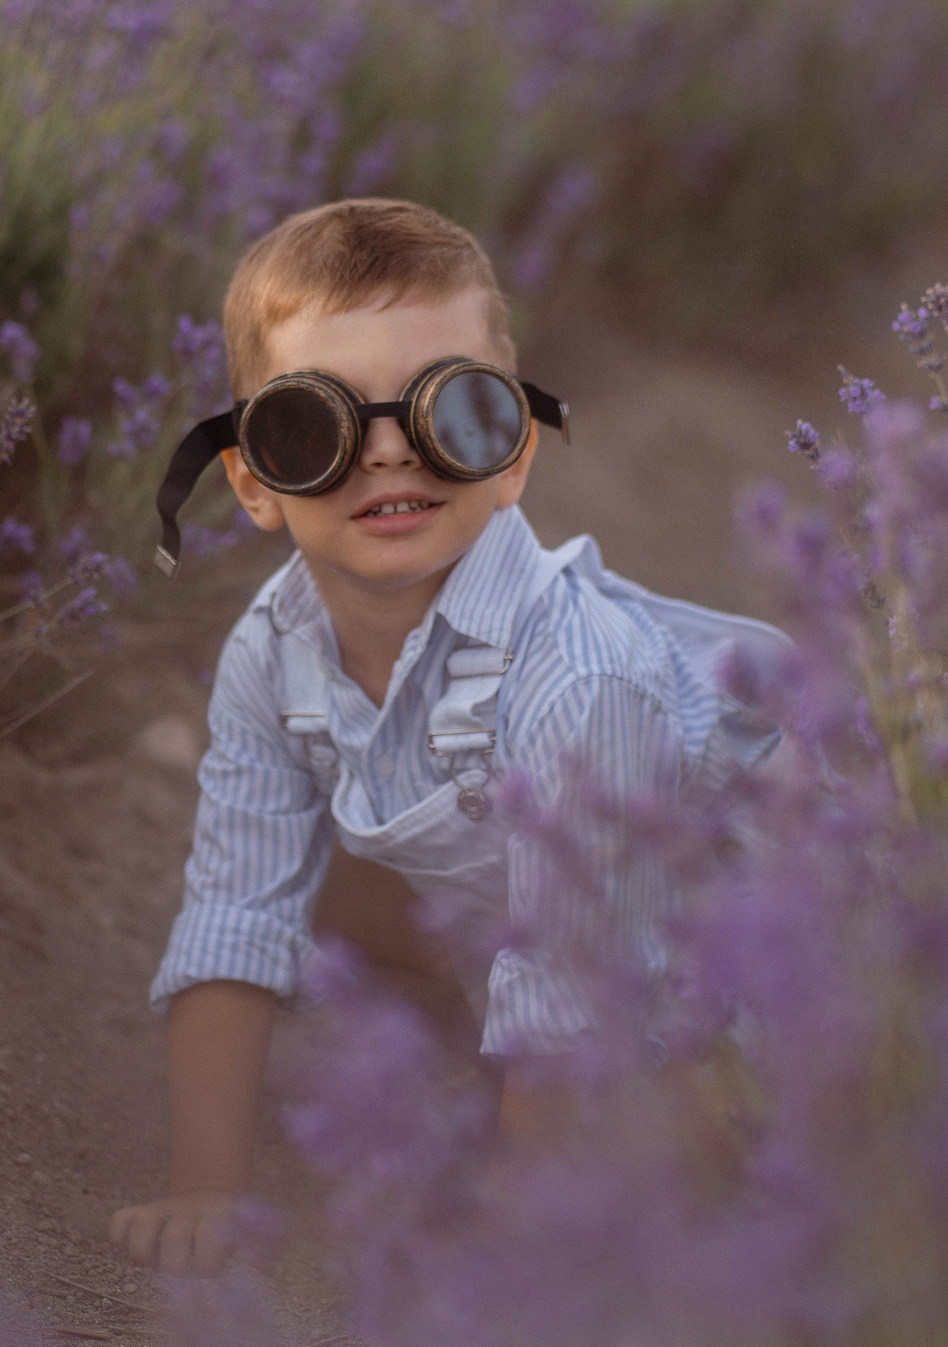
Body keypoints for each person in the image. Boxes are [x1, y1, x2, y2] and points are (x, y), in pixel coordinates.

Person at [108, 198, 781, 1275]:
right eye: (313, 424)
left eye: (448, 412)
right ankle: (496, 1131)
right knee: (316, 875)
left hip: (761, 973)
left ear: (512, 453)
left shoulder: (581, 677)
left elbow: (577, 986)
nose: (386, 456)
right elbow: (236, 910)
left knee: (707, 1191)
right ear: (252, 481)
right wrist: (206, 1192)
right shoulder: (271, 649)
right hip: (601, 946)